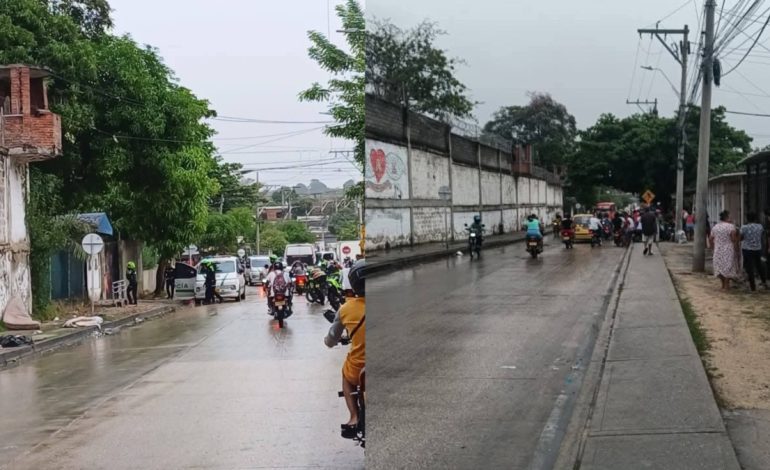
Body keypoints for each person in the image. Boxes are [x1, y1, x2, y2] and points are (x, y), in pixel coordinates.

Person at [325, 260, 365, 438]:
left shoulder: (345, 309)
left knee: (346, 374)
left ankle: (354, 416)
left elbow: (332, 338)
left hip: (358, 367)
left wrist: (328, 342)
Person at [709, 210, 741, 291]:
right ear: (726, 218)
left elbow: (710, 238)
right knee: (728, 267)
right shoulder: (731, 227)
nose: (732, 218)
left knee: (719, 266)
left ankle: (723, 284)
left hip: (718, 249)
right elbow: (733, 239)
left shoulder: (716, 226)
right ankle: (727, 285)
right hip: (728, 249)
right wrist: (737, 248)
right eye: (730, 217)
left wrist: (713, 247)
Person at [741, 211, 767, 291]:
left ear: (747, 218)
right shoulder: (760, 227)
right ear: (755, 218)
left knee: (749, 268)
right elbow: (762, 234)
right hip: (757, 248)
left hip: (747, 249)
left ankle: (753, 286)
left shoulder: (744, 227)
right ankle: (764, 281)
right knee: (759, 265)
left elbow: (741, 237)